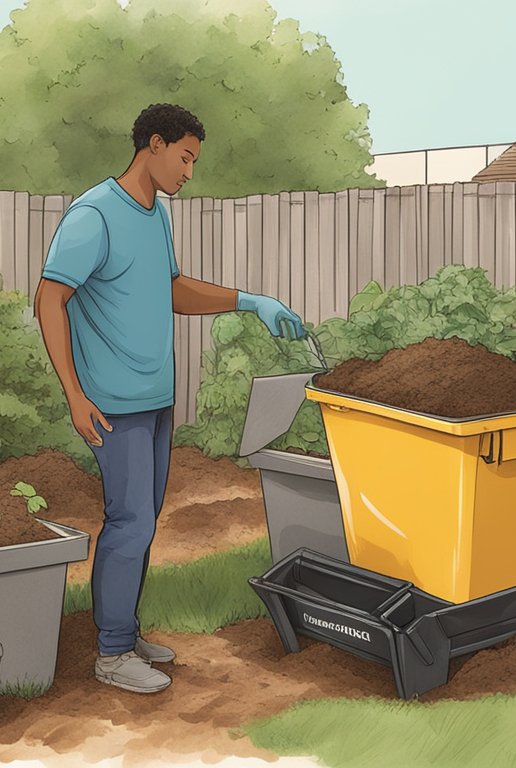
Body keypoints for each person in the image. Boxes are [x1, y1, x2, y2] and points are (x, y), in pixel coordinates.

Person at [34, 103, 303, 694]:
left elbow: (173, 289)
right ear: (153, 145)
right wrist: (74, 396)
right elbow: (49, 300)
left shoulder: (155, 215)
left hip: (157, 399)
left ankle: (125, 634)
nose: (189, 172)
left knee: (144, 520)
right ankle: (109, 655)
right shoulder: (94, 214)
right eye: (184, 158)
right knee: (128, 521)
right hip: (113, 402)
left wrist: (250, 301)